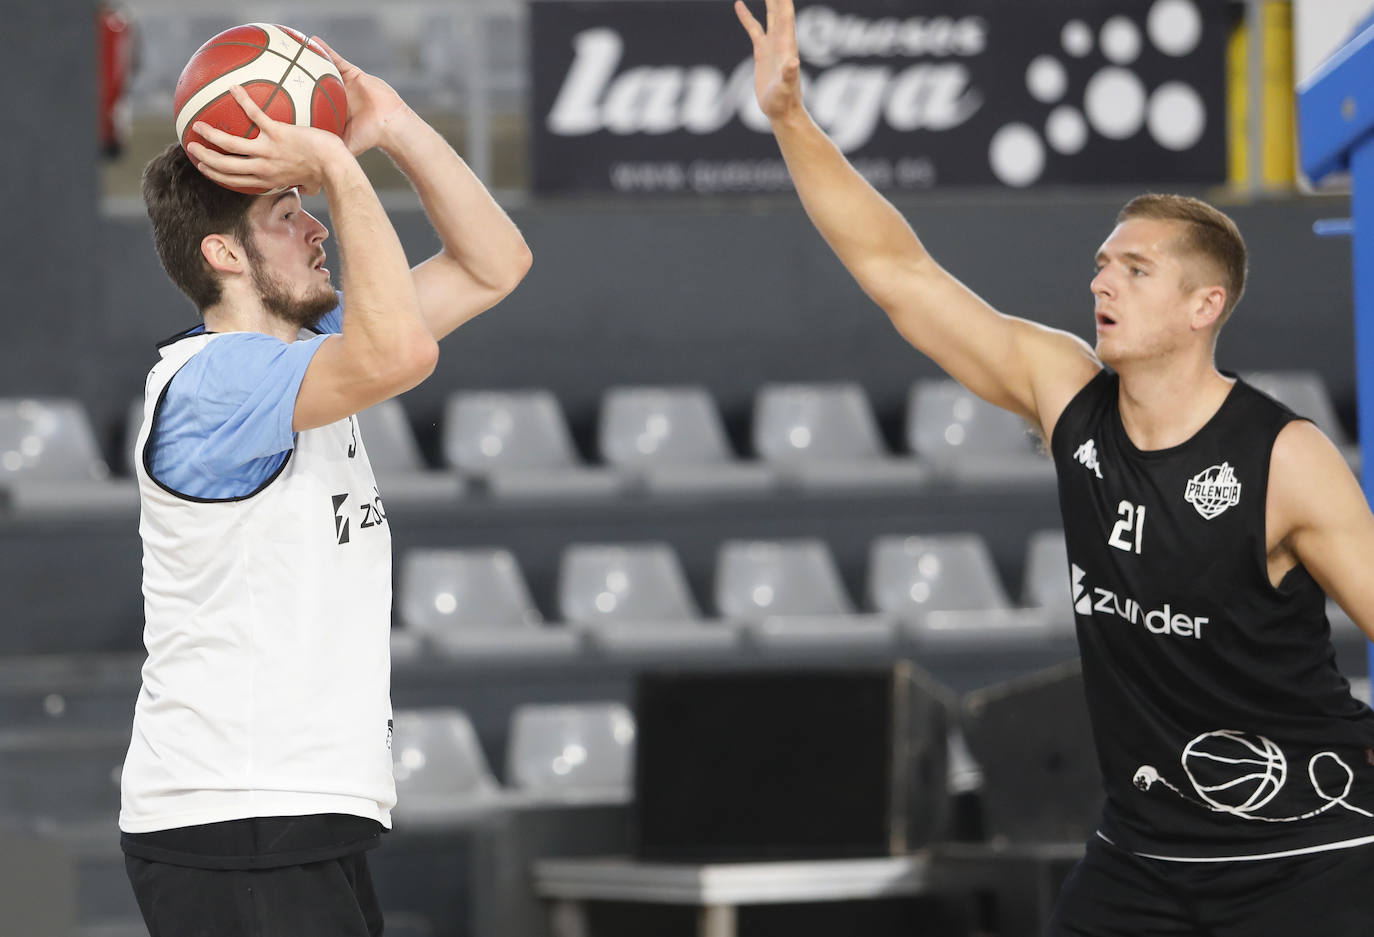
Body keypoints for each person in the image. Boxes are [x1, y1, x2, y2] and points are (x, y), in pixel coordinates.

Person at [736, 0, 1374, 933]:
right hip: (1145, 858)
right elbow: (899, 273)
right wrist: (792, 121)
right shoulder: (1065, 392)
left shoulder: (1286, 457)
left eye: (1135, 269)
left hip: (1308, 855)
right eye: (1101, 263)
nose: (1101, 281)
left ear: (1206, 306)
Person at [118, 37, 531, 937]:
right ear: (223, 254)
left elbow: (496, 262)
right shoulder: (216, 382)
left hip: (285, 811)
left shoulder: (306, 351)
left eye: (310, 204)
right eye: (285, 211)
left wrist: (396, 128)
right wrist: (342, 166)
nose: (316, 228)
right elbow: (402, 352)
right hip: (233, 813)